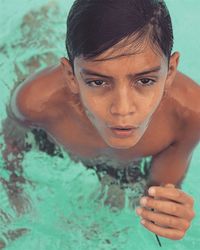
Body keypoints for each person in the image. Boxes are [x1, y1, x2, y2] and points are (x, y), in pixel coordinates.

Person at [2, 0, 200, 241]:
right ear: (71, 76)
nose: (122, 109)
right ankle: (40, 22)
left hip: (123, 168)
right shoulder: (34, 104)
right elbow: (10, 150)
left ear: (169, 72)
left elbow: (156, 196)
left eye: (145, 81)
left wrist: (169, 214)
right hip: (53, 140)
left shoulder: (189, 114)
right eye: (97, 82)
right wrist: (14, 200)